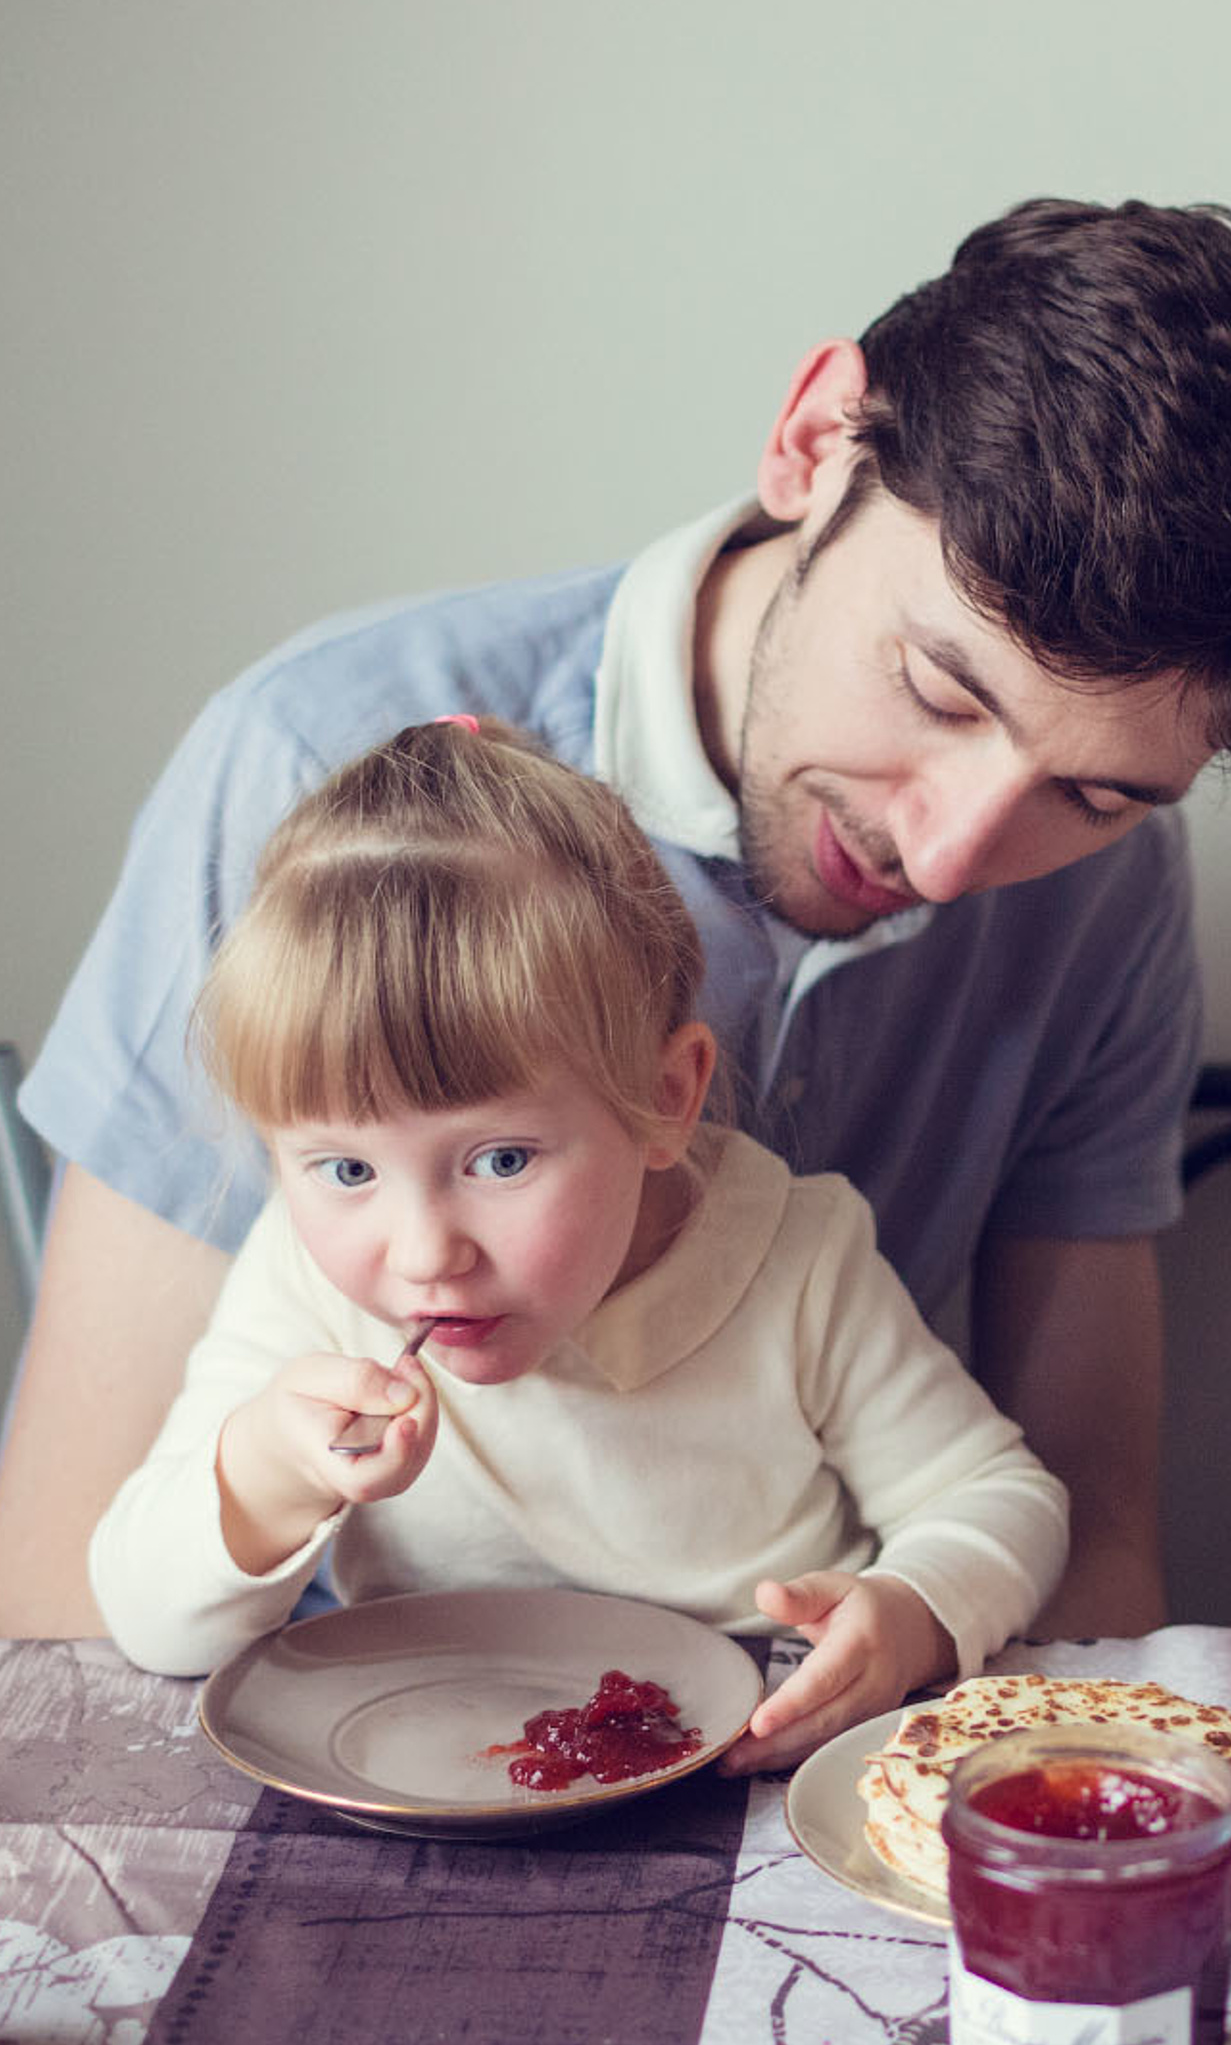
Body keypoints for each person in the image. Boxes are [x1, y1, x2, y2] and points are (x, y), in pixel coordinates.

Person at [9, 198, 1231, 1643]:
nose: (947, 859)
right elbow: (63, 1593)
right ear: (816, 442)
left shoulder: (1106, 887)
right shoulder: (314, 775)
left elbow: (1088, 1542)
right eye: (939, 692)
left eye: (1095, 794)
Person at [93, 719, 1068, 1775]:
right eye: (345, 1170)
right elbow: (152, 1625)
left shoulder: (794, 1257)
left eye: (501, 1159)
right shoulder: (303, 1277)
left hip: (756, 1771)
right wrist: (270, 1474)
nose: (423, 1253)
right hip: (434, 1775)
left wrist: (911, 1613)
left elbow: (1003, 1499)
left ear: (666, 1098)